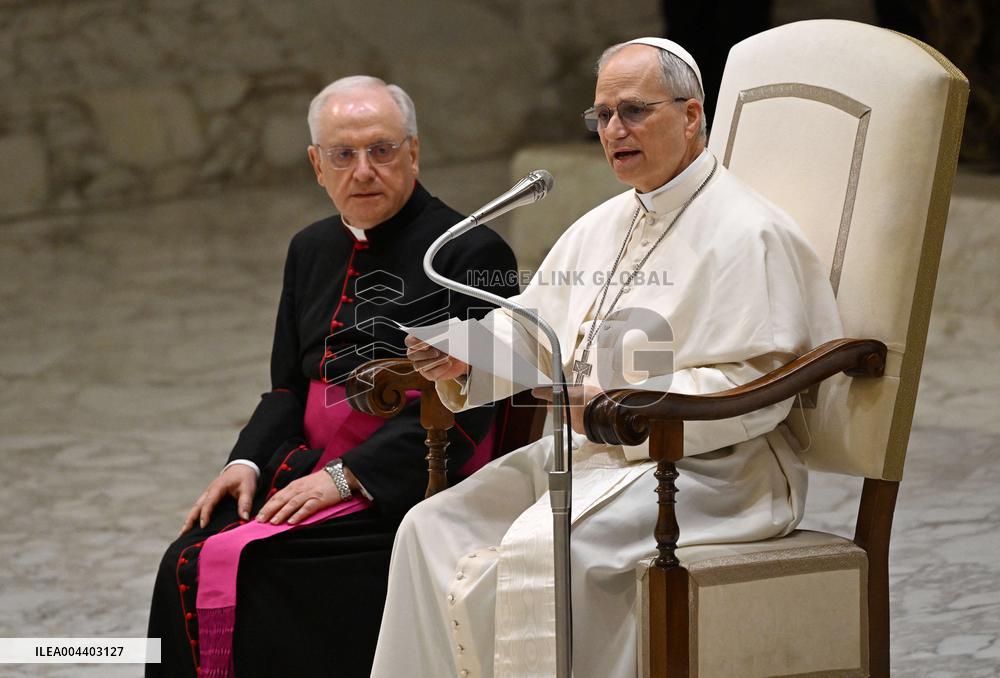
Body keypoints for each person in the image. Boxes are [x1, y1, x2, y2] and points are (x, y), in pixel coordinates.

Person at [375, 38, 844, 677]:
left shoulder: (749, 232)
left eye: (633, 111)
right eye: (601, 115)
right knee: (429, 528)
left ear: (690, 115)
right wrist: (465, 358)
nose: (613, 130)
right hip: (589, 456)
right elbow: (537, 334)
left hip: (709, 472)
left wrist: (630, 408)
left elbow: (759, 381)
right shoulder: (600, 224)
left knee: (556, 550)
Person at [146, 76, 518, 678]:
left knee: (258, 565)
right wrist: (242, 463)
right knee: (184, 554)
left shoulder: (471, 253)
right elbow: (289, 388)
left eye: (383, 150)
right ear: (317, 165)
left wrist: (348, 479)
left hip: (414, 479)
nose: (364, 170)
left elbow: (477, 406)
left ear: (414, 152)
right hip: (309, 460)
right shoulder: (309, 248)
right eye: (344, 155)